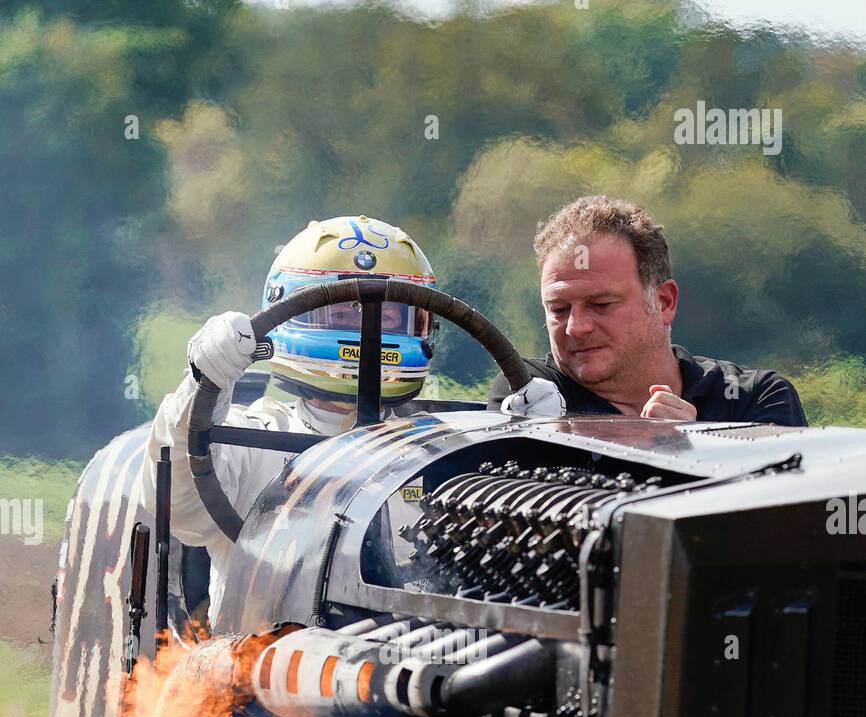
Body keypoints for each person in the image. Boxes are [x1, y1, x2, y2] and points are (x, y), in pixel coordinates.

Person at [141, 215, 437, 624]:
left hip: (410, 674)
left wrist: (537, 436)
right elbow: (173, 505)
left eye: (387, 318)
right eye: (341, 315)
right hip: (259, 677)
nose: (366, 327)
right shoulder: (253, 439)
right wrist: (202, 383)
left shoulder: (440, 453)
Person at [490, 195, 807, 426]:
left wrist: (700, 450)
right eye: (559, 309)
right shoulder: (528, 390)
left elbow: (780, 515)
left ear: (664, 302)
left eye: (601, 304)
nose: (576, 327)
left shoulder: (752, 398)